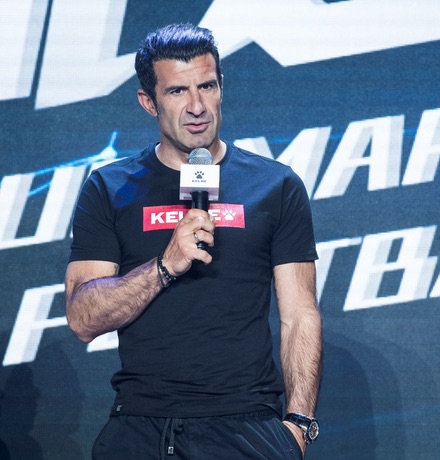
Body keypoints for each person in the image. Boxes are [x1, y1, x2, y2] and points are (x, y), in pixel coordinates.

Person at [65, 23, 322, 459]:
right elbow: (82, 318)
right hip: (141, 425)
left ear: (222, 87)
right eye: (177, 91)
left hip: (246, 423)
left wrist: (298, 425)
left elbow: (300, 314)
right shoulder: (110, 187)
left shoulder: (275, 185)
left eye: (207, 86)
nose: (197, 106)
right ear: (149, 102)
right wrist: (163, 266)